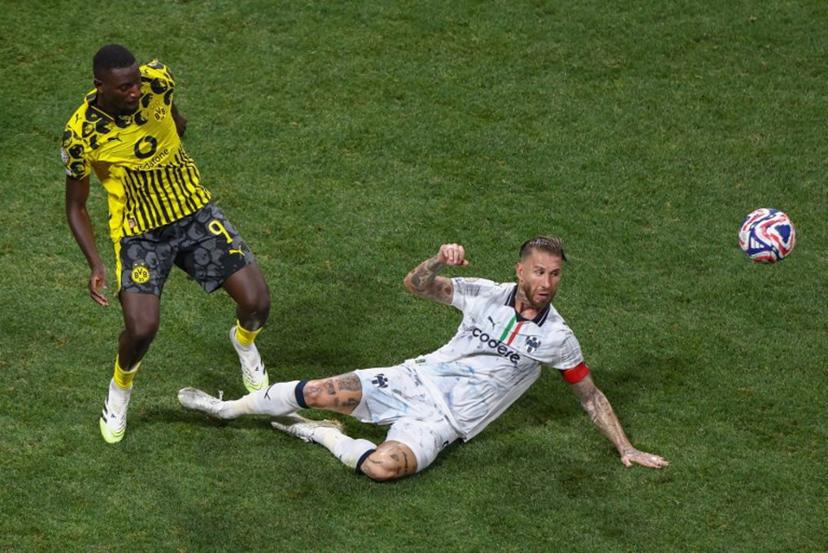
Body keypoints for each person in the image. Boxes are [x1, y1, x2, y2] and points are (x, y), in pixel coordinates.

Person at [178, 237, 668, 481]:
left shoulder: (558, 338)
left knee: (382, 469)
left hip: (444, 422)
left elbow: (590, 395)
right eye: (539, 271)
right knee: (312, 391)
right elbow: (416, 286)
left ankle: (323, 433)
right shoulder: (481, 294)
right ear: (520, 269)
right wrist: (437, 260)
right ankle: (229, 409)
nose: (546, 283)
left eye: (555, 275)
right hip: (412, 381)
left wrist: (625, 447)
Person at [62, 44, 271, 444]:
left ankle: (244, 342)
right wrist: (95, 264)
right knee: (141, 328)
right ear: (99, 86)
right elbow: (76, 206)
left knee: (258, 303)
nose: (135, 92)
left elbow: (177, 122)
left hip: (194, 213)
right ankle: (120, 390)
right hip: (140, 234)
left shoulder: (158, 82)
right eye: (124, 87)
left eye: (136, 82)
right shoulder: (81, 134)